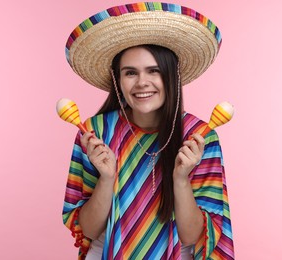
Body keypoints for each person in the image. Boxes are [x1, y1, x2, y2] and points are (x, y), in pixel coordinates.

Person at [62, 2, 234, 259]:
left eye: (154, 71)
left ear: (171, 76)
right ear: (118, 81)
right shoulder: (94, 133)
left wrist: (180, 178)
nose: (142, 82)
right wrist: (107, 178)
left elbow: (192, 237)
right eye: (130, 72)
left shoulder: (199, 136)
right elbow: (87, 228)